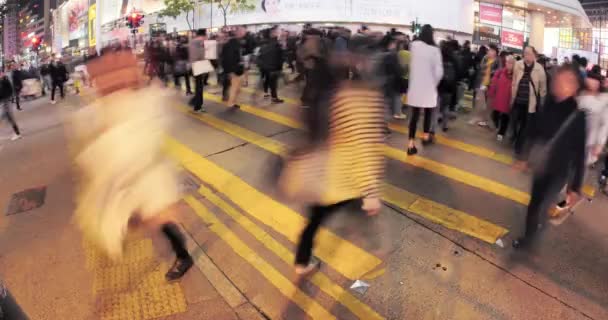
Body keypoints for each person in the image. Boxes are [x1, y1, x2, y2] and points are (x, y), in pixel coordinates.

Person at [78, 48, 193, 281]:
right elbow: (94, 141)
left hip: (149, 177)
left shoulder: (147, 99)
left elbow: (150, 136)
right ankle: (124, 237)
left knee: (162, 221)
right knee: (133, 218)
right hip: (124, 181)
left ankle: (183, 256)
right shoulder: (102, 105)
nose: (109, 80)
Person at [284, 39, 385, 276]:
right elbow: (363, 147)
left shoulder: (325, 91)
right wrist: (370, 192)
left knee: (315, 220)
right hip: (343, 176)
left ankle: (301, 261)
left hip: (320, 173)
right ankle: (374, 245)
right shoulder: (362, 100)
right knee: (358, 208)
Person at [512, 65, 586, 249]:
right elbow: (532, 129)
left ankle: (534, 238)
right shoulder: (547, 103)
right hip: (541, 165)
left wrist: (574, 186)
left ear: (575, 87)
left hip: (558, 170)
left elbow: (580, 152)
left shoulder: (578, 116)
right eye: (559, 78)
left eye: (567, 81)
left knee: (543, 206)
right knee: (534, 203)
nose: (560, 83)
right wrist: (522, 155)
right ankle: (528, 238)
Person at [405, 24, 443, 155]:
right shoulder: (435, 50)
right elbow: (439, 72)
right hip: (428, 86)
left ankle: (410, 144)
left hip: (415, 86)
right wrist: (434, 84)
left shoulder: (413, 46)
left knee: (414, 116)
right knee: (428, 111)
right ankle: (426, 136)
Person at [511, 46, 547, 158]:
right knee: (514, 123)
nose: (527, 55)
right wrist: (512, 96)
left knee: (524, 126)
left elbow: (543, 88)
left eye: (529, 53)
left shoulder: (539, 69)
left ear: (534, 55)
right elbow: (514, 81)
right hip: (517, 100)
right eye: (525, 53)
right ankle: (515, 138)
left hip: (530, 103)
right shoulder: (518, 64)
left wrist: (541, 102)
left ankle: (518, 147)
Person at [577, 68, 608, 166]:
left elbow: (605, 124)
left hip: (590, 142)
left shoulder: (603, 100)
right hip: (575, 140)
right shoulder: (579, 96)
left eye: (594, 83)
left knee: (581, 169)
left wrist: (599, 144)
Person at [470, 44, 499, 127]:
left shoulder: (497, 60)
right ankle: (476, 118)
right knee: (479, 101)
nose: (490, 52)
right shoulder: (485, 58)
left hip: (490, 84)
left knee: (488, 104)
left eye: (492, 51)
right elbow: (481, 67)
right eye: (489, 50)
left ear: (495, 53)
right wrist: (486, 66)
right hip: (482, 82)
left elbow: (499, 70)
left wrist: (492, 72)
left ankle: (484, 120)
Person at [488, 55, 515, 141]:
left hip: (508, 100)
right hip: (498, 98)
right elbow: (493, 84)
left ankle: (501, 132)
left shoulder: (516, 75)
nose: (509, 64)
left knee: (505, 117)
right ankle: (496, 127)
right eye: (507, 62)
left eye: (511, 63)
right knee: (494, 114)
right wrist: (491, 93)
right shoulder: (500, 72)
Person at [258, 26, 285, 104]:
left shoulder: (263, 43)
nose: (279, 33)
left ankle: (266, 92)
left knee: (267, 80)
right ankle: (274, 97)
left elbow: (260, 55)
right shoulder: (276, 44)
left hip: (265, 67)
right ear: (273, 33)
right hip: (273, 67)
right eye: (277, 31)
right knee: (273, 83)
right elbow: (280, 57)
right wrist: (279, 67)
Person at [220, 27, 245, 109]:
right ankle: (231, 103)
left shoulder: (236, 43)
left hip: (236, 69)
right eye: (241, 31)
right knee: (234, 88)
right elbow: (228, 58)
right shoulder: (232, 44)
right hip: (234, 70)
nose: (243, 33)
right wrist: (230, 71)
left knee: (237, 88)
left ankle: (232, 102)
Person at [436, 40, 458, 132]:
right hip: (449, 86)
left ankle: (434, 123)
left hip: (439, 85)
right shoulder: (454, 58)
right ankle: (445, 125)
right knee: (446, 106)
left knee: (437, 106)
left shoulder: (438, 57)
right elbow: (458, 71)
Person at [189, 29, 208, 113]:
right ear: (202, 35)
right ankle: (197, 107)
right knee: (199, 88)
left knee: (199, 87)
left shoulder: (195, 42)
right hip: (197, 67)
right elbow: (198, 55)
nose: (206, 37)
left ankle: (196, 103)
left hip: (196, 66)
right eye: (205, 36)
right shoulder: (197, 43)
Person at [0, 70, 21, 141]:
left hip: (6, 101)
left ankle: (17, 133)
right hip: (3, 102)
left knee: (10, 117)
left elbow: (10, 89)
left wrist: (10, 97)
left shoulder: (5, 80)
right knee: (7, 117)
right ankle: (17, 132)